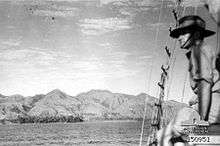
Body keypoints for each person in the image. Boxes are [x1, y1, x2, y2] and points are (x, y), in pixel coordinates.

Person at [170, 15, 220, 125]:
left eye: (183, 33)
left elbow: (205, 85)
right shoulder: (201, 50)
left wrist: (202, 120)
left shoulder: (199, 51)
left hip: (213, 109)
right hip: (213, 106)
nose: (179, 38)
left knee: (170, 131)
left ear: (196, 34)